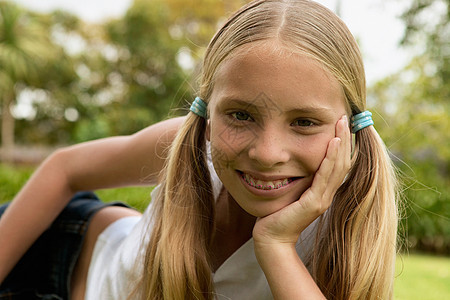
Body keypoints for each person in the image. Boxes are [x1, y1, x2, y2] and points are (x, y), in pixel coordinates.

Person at [0, 0, 399, 299]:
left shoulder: (346, 223)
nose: (267, 152)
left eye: (304, 122)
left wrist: (276, 245)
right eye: (241, 115)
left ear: (349, 127)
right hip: (48, 256)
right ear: (208, 114)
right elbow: (65, 169)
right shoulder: (186, 143)